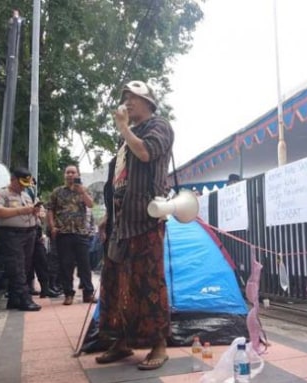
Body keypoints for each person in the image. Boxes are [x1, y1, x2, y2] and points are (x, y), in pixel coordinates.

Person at [95, 80, 174, 371]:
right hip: (120, 222)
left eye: (133, 98)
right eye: (125, 97)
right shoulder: (126, 135)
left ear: (149, 102)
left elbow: (145, 154)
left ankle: (159, 344)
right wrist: (108, 216)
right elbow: (119, 178)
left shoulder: (160, 126)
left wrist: (123, 129)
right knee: (116, 283)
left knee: (148, 283)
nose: (127, 102)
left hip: (145, 220)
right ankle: (122, 340)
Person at [0, 167, 42, 311]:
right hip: (11, 234)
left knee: (24, 267)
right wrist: (20, 210)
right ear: (12, 180)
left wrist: (36, 211)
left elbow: (36, 213)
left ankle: (14, 299)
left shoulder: (26, 195)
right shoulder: (2, 193)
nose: (23, 187)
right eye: (21, 184)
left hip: (29, 233)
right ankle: (25, 300)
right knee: (17, 267)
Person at [47, 165, 95, 305]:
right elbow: (50, 209)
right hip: (63, 233)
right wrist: (52, 226)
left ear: (77, 174)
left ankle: (88, 293)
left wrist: (82, 192)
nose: (70, 174)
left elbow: (91, 205)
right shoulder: (57, 192)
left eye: (73, 172)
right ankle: (68, 294)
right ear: (64, 175)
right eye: (67, 172)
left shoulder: (84, 190)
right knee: (65, 265)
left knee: (85, 265)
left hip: (81, 233)